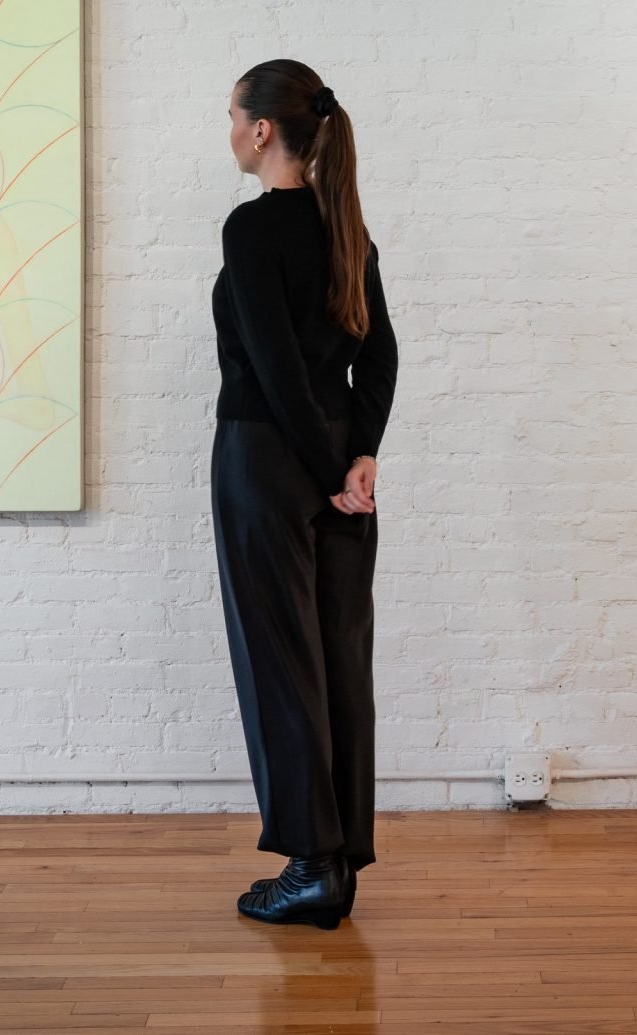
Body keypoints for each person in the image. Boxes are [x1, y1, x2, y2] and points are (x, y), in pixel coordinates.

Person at [211, 59, 399, 928]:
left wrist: (332, 474)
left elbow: (277, 369)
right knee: (337, 664)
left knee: (282, 667)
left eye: (232, 116)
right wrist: (357, 458)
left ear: (261, 131)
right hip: (336, 470)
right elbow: (380, 355)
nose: (229, 130)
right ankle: (338, 864)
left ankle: (309, 865)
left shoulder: (252, 231)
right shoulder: (346, 229)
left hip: (267, 462)